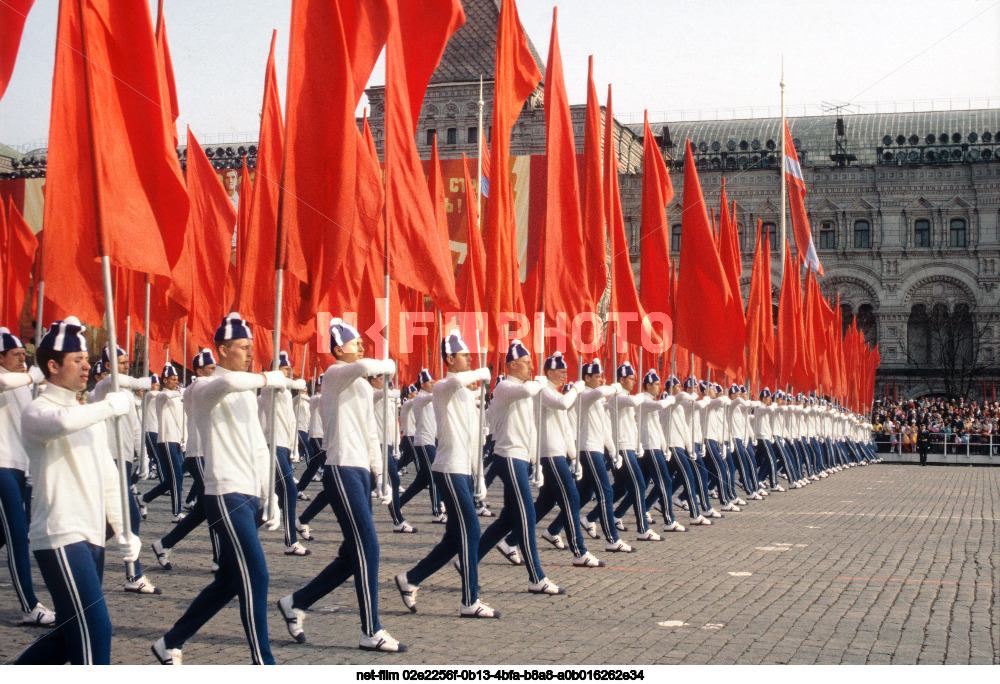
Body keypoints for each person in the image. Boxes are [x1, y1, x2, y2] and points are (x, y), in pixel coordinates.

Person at [152, 313, 295, 665]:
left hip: (248, 494)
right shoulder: (203, 388)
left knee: (230, 581)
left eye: (251, 347)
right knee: (257, 575)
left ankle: (170, 641)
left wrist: (271, 495)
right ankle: (263, 662)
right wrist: (267, 377)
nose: (250, 352)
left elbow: (260, 445)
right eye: (244, 347)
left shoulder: (245, 390)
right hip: (225, 493)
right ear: (222, 350)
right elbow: (227, 385)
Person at [276, 319, 406, 652]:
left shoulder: (361, 384)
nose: (361, 346)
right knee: (369, 548)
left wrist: (380, 475)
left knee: (352, 556)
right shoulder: (334, 374)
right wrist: (386, 351)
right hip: (341, 468)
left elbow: (371, 431)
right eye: (355, 342)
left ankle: (296, 602)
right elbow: (365, 365)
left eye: (363, 341)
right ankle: (371, 630)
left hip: (360, 470)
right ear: (337, 350)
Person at [16, 317, 139, 664]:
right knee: (96, 629)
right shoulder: (37, 410)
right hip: (59, 534)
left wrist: (125, 530)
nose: (87, 365)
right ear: (53, 366)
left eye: (86, 359)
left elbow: (108, 476)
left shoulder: (85, 414)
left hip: (91, 535)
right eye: (77, 360)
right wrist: (110, 406)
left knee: (69, 637)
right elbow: (62, 423)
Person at [394, 330, 498, 617]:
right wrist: (481, 372)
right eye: (465, 356)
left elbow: (474, 435)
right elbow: (458, 380)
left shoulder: (465, 392)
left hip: (462, 470)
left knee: (454, 537)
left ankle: (411, 578)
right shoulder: (443, 386)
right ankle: (470, 601)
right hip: (449, 468)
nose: (469, 360)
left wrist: (479, 477)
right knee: (472, 531)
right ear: (450, 359)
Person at [475, 340, 565, 595]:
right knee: (527, 516)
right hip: (509, 457)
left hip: (521, 458)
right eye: (526, 363)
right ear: (512, 364)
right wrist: (540, 381)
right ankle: (536, 576)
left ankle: (468, 560)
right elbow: (528, 392)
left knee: (508, 519)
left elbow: (530, 427)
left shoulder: (523, 388)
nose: (530, 366)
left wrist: (535, 461)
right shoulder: (506, 386)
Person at [90, 345, 160, 595]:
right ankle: (134, 574)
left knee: (107, 523)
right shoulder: (104, 386)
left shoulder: (127, 394)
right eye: (120, 363)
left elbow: (132, 428)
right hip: (109, 458)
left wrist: (141, 457)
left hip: (124, 460)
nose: (125, 366)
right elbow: (117, 380)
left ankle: (86, 555)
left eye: (127, 362)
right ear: (107, 366)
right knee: (130, 516)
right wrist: (143, 380)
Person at [524, 351, 604, 566]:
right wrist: (578, 388)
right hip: (549, 453)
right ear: (549, 372)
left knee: (545, 503)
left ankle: (511, 541)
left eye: (566, 372)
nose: (564, 375)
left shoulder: (555, 392)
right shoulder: (544, 392)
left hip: (558, 452)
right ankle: (579, 551)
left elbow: (567, 428)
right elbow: (563, 404)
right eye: (560, 372)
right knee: (572, 498)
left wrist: (574, 456)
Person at [0, 327, 55, 626]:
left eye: (25, 355)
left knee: (5, 534)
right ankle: (28, 605)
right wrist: (33, 375)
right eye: (17, 355)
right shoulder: (10, 378)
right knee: (18, 536)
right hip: (1, 466)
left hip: (18, 467)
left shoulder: (22, 382)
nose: (24, 360)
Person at [151, 350, 222, 572]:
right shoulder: (197, 387)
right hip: (198, 454)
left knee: (203, 509)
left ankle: (164, 543)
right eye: (211, 369)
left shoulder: (202, 388)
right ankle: (219, 559)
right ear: (200, 371)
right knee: (215, 505)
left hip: (205, 453)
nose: (215, 373)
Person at [258, 350, 310, 556]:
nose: (289, 372)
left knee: (280, 494)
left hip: (283, 445)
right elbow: (280, 382)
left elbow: (291, 422)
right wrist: (294, 383)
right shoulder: (270, 388)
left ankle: (246, 533)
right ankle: (291, 540)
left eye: (290, 368)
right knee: (289, 489)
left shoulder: (285, 391)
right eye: (285, 368)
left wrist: (294, 448)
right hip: (272, 445)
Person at [398, 369, 445, 523]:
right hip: (424, 442)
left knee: (420, 482)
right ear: (423, 384)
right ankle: (436, 512)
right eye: (430, 382)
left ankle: (397, 504)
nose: (433, 384)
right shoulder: (420, 398)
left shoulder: (428, 399)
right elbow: (435, 395)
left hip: (430, 441)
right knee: (434, 477)